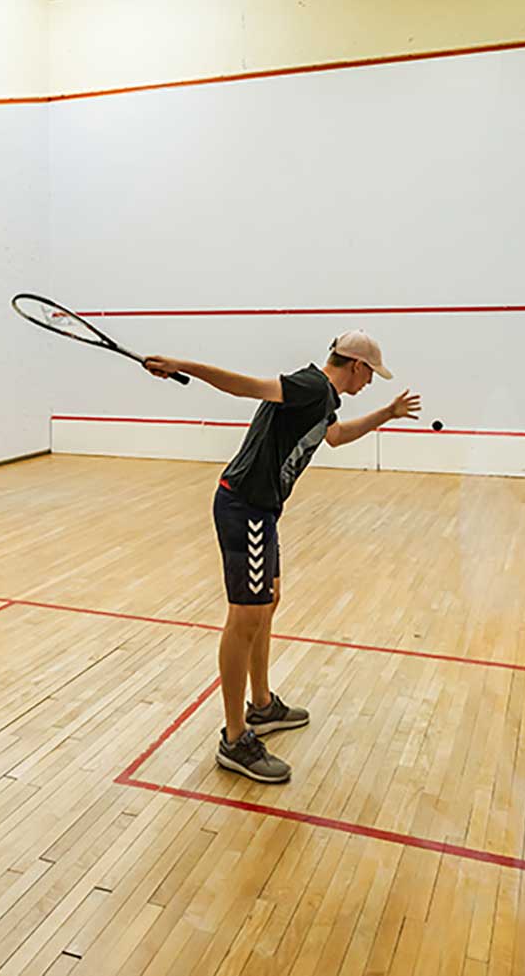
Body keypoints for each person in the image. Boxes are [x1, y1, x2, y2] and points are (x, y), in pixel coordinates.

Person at [143, 331, 419, 783]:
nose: (371, 382)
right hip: (244, 508)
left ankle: (263, 705)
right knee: (245, 617)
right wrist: (182, 365)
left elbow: (335, 436)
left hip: (263, 510)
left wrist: (386, 414)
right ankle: (235, 740)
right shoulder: (310, 386)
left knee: (267, 602)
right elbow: (246, 386)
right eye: (371, 374)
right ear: (356, 365)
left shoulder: (323, 398)